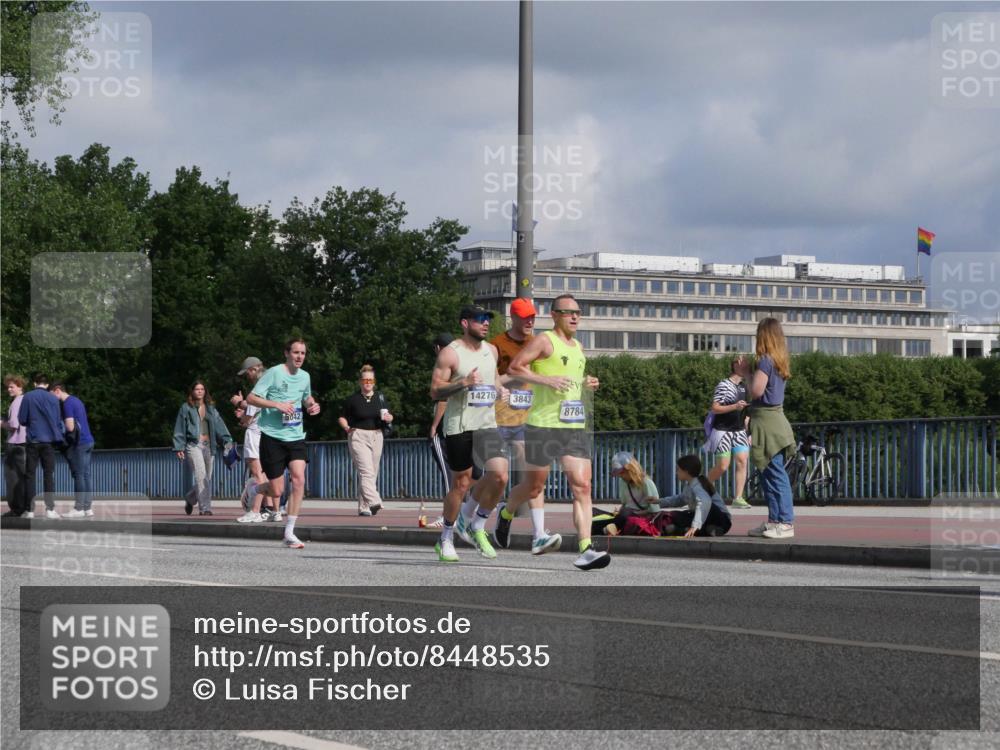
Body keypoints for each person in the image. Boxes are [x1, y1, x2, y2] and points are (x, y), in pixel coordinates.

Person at [505, 294, 610, 571]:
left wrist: (587, 383)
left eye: (578, 312)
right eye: (568, 312)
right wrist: (545, 379)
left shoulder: (578, 346)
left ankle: (585, 548)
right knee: (534, 486)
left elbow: (571, 382)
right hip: (543, 424)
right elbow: (515, 367)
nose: (575, 317)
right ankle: (507, 511)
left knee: (583, 486)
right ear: (554, 315)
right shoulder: (544, 340)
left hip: (573, 427)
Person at [429, 304, 509, 562]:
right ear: (465, 323)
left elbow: (493, 377)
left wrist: (500, 390)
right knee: (461, 483)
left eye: (488, 318)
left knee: (500, 475)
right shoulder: (451, 354)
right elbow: (435, 391)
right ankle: (446, 537)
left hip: (486, 424)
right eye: (480, 319)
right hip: (459, 426)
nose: (486, 323)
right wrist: (463, 383)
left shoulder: (492, 350)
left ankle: (477, 524)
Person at [490, 297, 561, 554]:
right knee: (493, 477)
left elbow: (550, 374)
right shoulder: (497, 344)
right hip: (497, 419)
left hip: (528, 420)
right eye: (525, 317)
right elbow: (490, 377)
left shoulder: (539, 343)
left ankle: (539, 534)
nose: (530, 320)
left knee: (534, 480)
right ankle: (472, 518)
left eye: (532, 316)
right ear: (514, 318)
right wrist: (511, 377)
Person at [247, 338, 321, 550]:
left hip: (295, 435)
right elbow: (252, 398)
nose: (300, 357)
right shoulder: (274, 373)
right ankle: (254, 490)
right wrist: (276, 404)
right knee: (277, 490)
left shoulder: (305, 376)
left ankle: (289, 531)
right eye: (296, 353)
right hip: (272, 436)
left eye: (303, 353)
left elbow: (307, 398)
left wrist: (312, 406)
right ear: (287, 353)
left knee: (299, 480)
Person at [736, 318, 796, 539]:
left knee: (775, 474)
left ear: (764, 337)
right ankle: (775, 521)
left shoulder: (765, 361)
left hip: (767, 424)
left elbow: (757, 391)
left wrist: (745, 373)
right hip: (773, 422)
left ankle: (785, 522)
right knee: (769, 474)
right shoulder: (778, 361)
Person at [231, 356, 281, 523]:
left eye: (247, 373)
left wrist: (239, 405)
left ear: (253, 369)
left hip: (255, 433)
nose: (247, 377)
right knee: (270, 474)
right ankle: (274, 510)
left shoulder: (258, 387)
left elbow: (248, 420)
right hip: (270, 432)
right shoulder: (273, 384)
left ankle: (256, 511)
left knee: (257, 473)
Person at [338, 365, 393, 516]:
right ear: (360, 382)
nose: (368, 382)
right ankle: (375, 501)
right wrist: (347, 428)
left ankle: (364, 507)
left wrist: (389, 418)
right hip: (358, 436)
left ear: (374, 382)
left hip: (377, 435)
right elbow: (342, 417)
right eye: (365, 380)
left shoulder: (380, 398)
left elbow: (389, 415)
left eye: (371, 379)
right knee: (366, 471)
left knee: (372, 472)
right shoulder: (353, 399)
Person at [173, 380, 233, 516]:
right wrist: (179, 447)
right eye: (197, 389)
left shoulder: (210, 408)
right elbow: (179, 427)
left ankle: (190, 498)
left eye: (202, 389)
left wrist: (227, 441)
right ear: (192, 391)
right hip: (193, 445)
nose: (199, 391)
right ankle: (205, 508)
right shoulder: (186, 408)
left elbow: (220, 425)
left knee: (207, 478)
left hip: (209, 446)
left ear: (205, 391)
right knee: (201, 477)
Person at [705, 359, 752, 509]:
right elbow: (715, 408)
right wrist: (734, 406)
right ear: (735, 366)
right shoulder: (724, 385)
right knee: (723, 466)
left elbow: (747, 412)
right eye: (743, 364)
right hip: (722, 430)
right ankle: (702, 486)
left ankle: (738, 498)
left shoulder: (745, 387)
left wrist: (748, 432)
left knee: (742, 461)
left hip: (739, 431)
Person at [18, 373, 64, 519]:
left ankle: (30, 510)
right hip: (49, 441)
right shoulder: (53, 398)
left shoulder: (28, 396)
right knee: (48, 475)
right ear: (47, 384)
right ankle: (50, 509)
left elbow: (22, 419)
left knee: (30, 475)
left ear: (34, 383)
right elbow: (58, 421)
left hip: (33, 440)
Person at [657, 454, 733, 537]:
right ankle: (709, 530)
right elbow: (681, 499)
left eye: (678, 470)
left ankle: (684, 529)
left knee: (705, 506)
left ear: (686, 471)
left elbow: (704, 502)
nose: (676, 472)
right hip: (708, 521)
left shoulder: (699, 486)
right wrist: (659, 501)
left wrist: (694, 526)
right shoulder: (689, 485)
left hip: (722, 521)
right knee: (676, 515)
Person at [50, 383, 95, 518]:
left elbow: (70, 427)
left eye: (51, 394)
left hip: (79, 444)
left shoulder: (67, 404)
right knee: (86, 475)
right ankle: (87, 508)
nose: (51, 398)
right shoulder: (77, 401)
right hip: (88, 441)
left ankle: (79, 508)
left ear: (57, 391)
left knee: (79, 475)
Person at [590, 451, 661, 536]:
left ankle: (606, 528)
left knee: (625, 514)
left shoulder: (646, 483)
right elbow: (625, 504)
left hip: (637, 517)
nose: (620, 476)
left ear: (631, 469)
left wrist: (634, 513)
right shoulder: (623, 482)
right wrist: (619, 512)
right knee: (592, 511)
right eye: (619, 474)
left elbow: (654, 511)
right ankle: (608, 528)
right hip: (623, 515)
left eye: (622, 473)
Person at [425, 333, 454, 528]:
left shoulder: (445, 367)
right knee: (466, 474)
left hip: (446, 430)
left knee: (447, 475)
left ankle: (447, 516)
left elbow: (443, 399)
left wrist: (434, 426)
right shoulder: (461, 365)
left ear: (438, 348)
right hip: (463, 427)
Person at [1, 375, 28, 517]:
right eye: (8, 387)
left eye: (12, 386)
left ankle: (16, 508)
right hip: (24, 443)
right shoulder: (25, 401)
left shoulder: (17, 402)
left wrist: (1, 423)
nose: (9, 389)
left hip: (15, 443)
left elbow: (13, 425)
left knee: (12, 477)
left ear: (20, 387)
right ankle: (26, 507)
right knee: (23, 477)